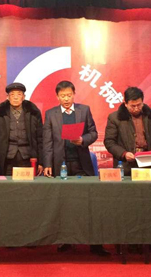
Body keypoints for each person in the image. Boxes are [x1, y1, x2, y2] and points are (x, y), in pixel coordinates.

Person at [43, 80, 108, 256]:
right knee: (64, 204)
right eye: (62, 96)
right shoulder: (50, 114)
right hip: (61, 164)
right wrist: (47, 164)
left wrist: (83, 140)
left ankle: (95, 244)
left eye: (69, 95)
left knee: (88, 203)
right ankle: (66, 240)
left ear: (74, 94)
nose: (66, 99)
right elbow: (47, 142)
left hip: (81, 163)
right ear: (57, 97)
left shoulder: (84, 110)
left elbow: (93, 133)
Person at [104, 86, 151, 177]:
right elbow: (109, 142)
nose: (136, 108)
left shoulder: (150, 116)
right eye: (133, 106)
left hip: (149, 163)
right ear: (125, 103)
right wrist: (124, 154)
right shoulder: (115, 118)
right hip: (126, 165)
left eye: (139, 105)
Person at [0, 82, 43, 176]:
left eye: (19, 94)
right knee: (8, 184)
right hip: (7, 160)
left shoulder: (33, 113)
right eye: (12, 95)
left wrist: (41, 162)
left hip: (28, 159)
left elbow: (40, 139)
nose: (15, 97)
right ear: (7, 97)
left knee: (27, 185)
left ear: (23, 97)